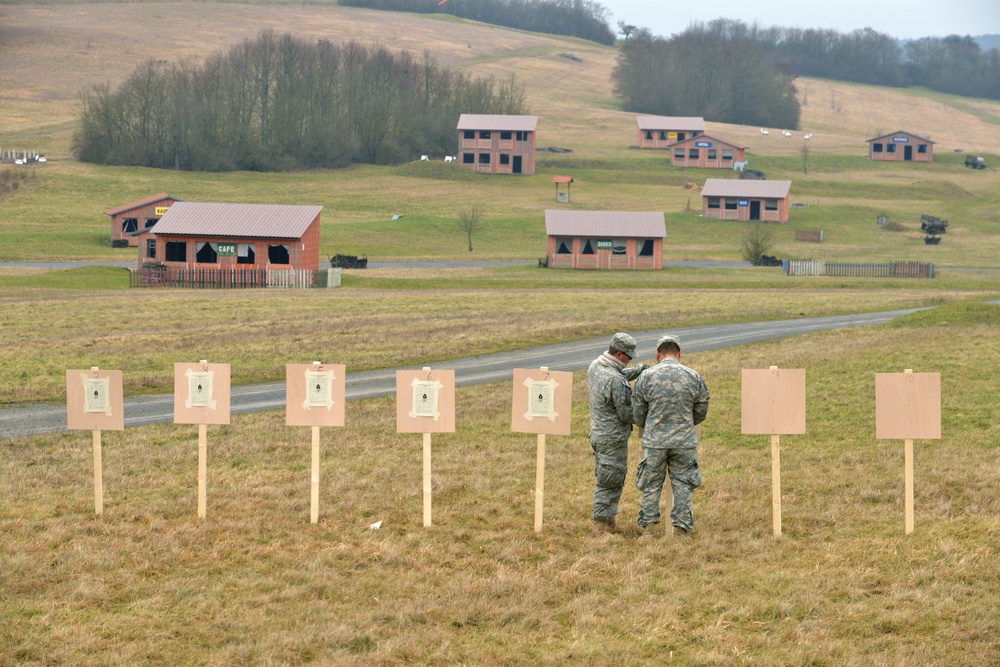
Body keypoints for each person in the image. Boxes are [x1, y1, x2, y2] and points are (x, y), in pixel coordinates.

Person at [632, 334, 710, 538]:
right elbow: (701, 410)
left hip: (654, 442)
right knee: (683, 485)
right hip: (684, 441)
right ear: (679, 354)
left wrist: (649, 425)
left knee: (651, 485)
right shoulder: (693, 376)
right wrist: (686, 422)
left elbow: (638, 412)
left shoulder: (646, 377)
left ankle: (648, 530)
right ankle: (682, 530)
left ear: (658, 355)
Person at [587, 332, 647, 535]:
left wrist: (639, 371)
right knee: (611, 481)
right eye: (629, 357)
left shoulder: (596, 366)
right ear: (620, 354)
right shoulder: (615, 381)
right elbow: (626, 414)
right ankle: (600, 526)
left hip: (598, 434)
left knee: (607, 477)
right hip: (613, 439)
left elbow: (617, 375)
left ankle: (608, 522)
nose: (631, 359)